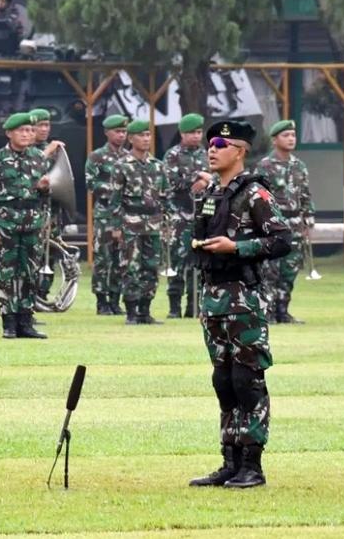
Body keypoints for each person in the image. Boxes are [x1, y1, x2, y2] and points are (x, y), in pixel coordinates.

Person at [189, 120, 292, 489]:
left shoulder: (254, 194)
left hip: (242, 300)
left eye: (221, 143)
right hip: (213, 300)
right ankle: (229, 461)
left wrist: (238, 248)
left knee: (247, 381)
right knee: (223, 382)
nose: (211, 149)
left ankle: (253, 464)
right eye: (210, 144)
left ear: (241, 150)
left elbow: (282, 240)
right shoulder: (212, 194)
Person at [0, 111, 50, 339]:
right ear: (9, 133)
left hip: (32, 223)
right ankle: (8, 322)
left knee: (30, 272)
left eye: (30, 130)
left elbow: (46, 197)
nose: (27, 134)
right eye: (21, 130)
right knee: (6, 274)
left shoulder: (39, 158)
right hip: (6, 224)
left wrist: (44, 189)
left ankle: (26, 321)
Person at [254, 119, 315, 323]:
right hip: (273, 226)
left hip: (295, 225)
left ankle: (283, 310)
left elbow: (305, 195)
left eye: (293, 135)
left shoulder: (299, 166)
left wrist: (308, 220)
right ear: (274, 140)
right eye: (286, 135)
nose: (291, 139)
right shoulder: (264, 166)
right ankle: (268, 312)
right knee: (270, 271)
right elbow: (256, 197)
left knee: (290, 270)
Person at [110, 119, 168, 325]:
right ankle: (132, 311)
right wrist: (116, 227)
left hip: (153, 224)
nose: (146, 139)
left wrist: (166, 224)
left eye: (148, 135)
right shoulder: (122, 166)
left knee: (151, 267)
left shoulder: (158, 166)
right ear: (131, 138)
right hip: (130, 223)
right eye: (141, 135)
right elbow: (115, 199)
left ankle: (145, 310)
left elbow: (164, 197)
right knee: (130, 267)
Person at [163, 112, 211, 319]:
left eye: (199, 132)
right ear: (182, 134)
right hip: (179, 217)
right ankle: (174, 307)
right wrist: (198, 178)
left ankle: (194, 306)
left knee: (198, 263)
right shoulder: (173, 155)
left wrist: (206, 182)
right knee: (177, 261)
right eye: (191, 132)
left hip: (201, 217)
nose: (195, 136)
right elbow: (171, 182)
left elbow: (216, 179)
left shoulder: (207, 155)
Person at [85, 114, 129, 315]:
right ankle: (101, 300)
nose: (121, 135)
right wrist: (117, 189)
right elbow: (90, 183)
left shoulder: (129, 157)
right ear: (107, 132)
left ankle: (115, 299)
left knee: (121, 259)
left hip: (125, 215)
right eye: (117, 131)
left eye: (124, 132)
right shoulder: (97, 156)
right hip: (105, 214)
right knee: (103, 258)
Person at [28, 108, 65, 303]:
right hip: (31, 212)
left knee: (50, 254)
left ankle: (43, 292)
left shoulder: (55, 150)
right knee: (33, 253)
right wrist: (46, 153)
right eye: (39, 125)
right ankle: (30, 293)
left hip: (52, 212)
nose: (44, 129)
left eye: (47, 125)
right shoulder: (26, 150)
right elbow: (28, 173)